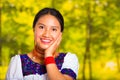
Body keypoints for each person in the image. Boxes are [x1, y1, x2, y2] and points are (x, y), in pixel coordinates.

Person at [6, 7, 79, 80]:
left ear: (60, 34)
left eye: (53, 29)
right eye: (41, 27)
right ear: (34, 29)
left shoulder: (68, 59)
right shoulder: (18, 62)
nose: (46, 34)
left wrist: (48, 55)